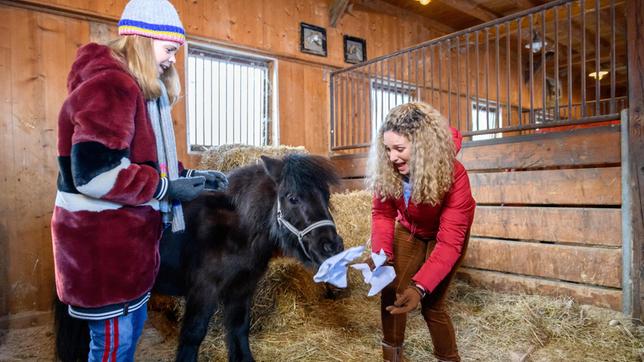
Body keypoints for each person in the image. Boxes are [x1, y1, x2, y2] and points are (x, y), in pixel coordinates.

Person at [51, 0, 227, 360]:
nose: (172, 60)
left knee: (127, 338)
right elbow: (95, 174)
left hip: (127, 246)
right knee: (113, 346)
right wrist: (166, 188)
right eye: (169, 50)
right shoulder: (111, 85)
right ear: (144, 40)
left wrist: (193, 176)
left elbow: (143, 158)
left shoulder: (135, 88)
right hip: (103, 248)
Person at [366, 102, 476, 362]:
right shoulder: (390, 170)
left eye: (399, 149)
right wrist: (382, 255)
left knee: (431, 305)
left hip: (445, 236)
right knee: (392, 290)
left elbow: (449, 244)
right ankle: (392, 357)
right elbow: (382, 214)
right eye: (388, 149)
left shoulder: (455, 175)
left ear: (423, 146)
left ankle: (448, 358)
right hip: (410, 228)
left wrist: (420, 286)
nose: (392, 157)